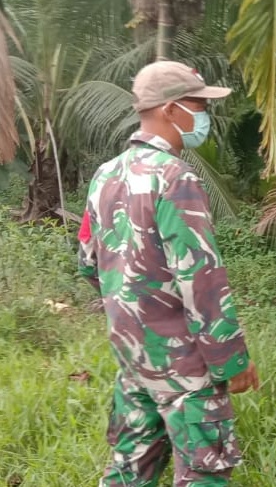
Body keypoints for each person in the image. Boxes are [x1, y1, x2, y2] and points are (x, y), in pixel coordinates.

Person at [78, 61, 260, 487]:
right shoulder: (175, 177)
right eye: (198, 105)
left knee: (130, 466)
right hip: (185, 362)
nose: (203, 116)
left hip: (132, 355)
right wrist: (230, 359)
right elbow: (201, 279)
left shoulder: (105, 175)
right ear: (171, 110)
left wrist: (134, 315)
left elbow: (89, 261)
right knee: (204, 472)